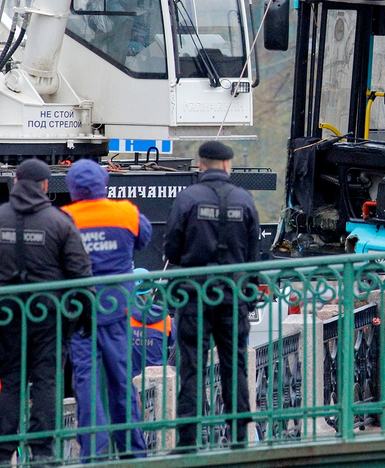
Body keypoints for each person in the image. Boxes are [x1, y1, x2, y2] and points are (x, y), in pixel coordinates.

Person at [163, 141, 259, 450]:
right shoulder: (244, 200)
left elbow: (172, 249)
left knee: (191, 366)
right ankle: (239, 437)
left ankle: (188, 439)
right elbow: (253, 253)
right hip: (233, 294)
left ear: (200, 165)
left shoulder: (187, 198)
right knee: (235, 364)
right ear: (228, 165)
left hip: (194, 294)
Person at [0, 159, 93, 464]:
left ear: (15, 182)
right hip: (49, 316)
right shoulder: (60, 222)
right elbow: (81, 275)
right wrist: (86, 318)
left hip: (8, 314)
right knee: (46, 381)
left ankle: (3, 450)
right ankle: (42, 451)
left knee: (10, 379)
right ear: (44, 186)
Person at [62, 159, 152, 459]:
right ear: (104, 184)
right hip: (117, 309)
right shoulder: (125, 212)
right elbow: (144, 239)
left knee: (85, 379)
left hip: (79, 311)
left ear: (72, 188)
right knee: (121, 377)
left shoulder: (65, 218)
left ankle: (93, 446)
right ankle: (132, 448)